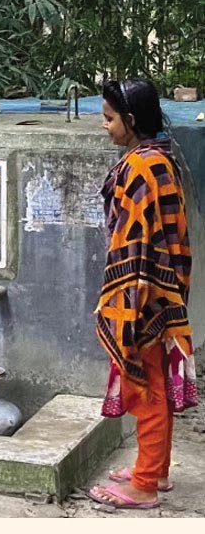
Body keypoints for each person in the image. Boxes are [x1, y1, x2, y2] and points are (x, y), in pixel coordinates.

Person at [87, 79, 197, 509]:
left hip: (144, 293)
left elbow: (135, 243)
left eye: (110, 118)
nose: (105, 126)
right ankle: (156, 469)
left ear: (131, 120)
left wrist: (125, 303)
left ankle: (145, 485)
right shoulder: (159, 157)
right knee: (155, 384)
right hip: (164, 289)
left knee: (145, 385)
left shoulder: (141, 167)